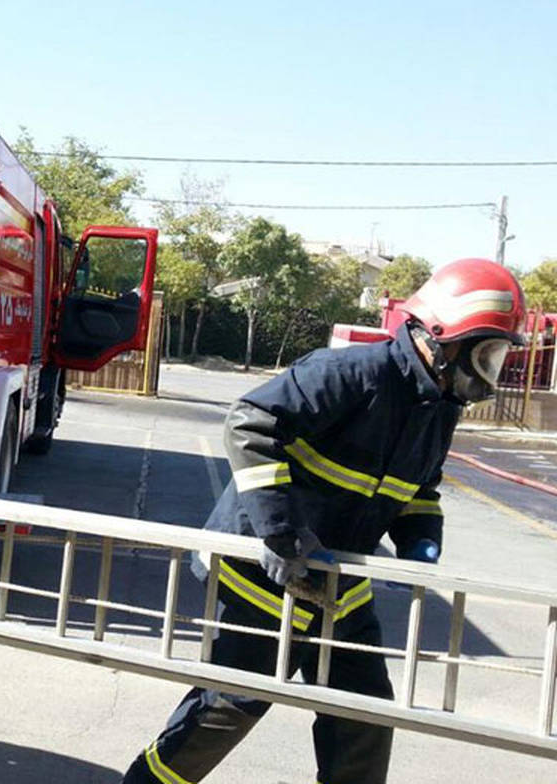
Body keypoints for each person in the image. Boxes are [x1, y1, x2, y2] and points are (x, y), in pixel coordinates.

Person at [121, 258, 526, 784]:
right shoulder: (351, 374)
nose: (489, 369)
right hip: (265, 578)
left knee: (364, 720)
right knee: (223, 714)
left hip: (339, 586)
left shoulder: (438, 408)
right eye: (485, 352)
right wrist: (283, 534)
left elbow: (418, 490)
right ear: (440, 337)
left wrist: (421, 540)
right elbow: (251, 423)